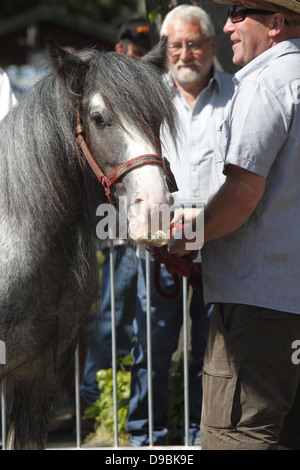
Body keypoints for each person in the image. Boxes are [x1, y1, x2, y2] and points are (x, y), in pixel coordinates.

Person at [169, 0, 300, 451]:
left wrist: (185, 240)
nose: (227, 25)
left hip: (259, 309)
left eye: (240, 12)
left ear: (277, 23)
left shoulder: (266, 84)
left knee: (237, 439)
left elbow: (243, 196)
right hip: (284, 307)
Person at [126, 5, 234, 446]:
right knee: (151, 348)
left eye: (194, 44)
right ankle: (144, 441)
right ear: (164, 50)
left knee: (212, 353)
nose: (186, 54)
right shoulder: (145, 97)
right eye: (176, 46)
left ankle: (198, 437)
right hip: (158, 248)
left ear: (211, 46)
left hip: (222, 245)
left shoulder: (239, 93)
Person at [80, 18, 152, 411]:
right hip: (118, 228)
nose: (134, 54)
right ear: (119, 47)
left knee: (137, 317)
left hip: (152, 225)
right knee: (114, 312)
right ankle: (96, 402)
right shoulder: (108, 92)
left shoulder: (148, 92)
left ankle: (117, 401)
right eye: (129, 46)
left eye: (143, 49)